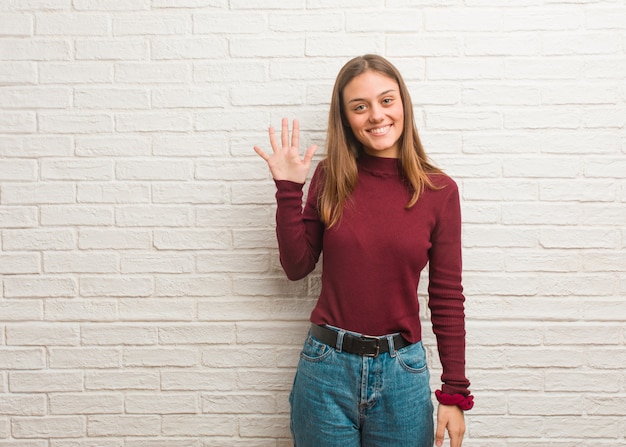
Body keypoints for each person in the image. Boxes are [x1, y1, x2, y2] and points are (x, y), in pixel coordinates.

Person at [254, 54, 473, 447]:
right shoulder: (329, 177)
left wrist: (453, 392)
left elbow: (446, 296)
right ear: (347, 119)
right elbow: (297, 266)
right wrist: (288, 190)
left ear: (402, 104)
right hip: (325, 370)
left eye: (386, 100)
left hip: (402, 374)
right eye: (360, 106)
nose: (376, 115)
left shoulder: (439, 192)